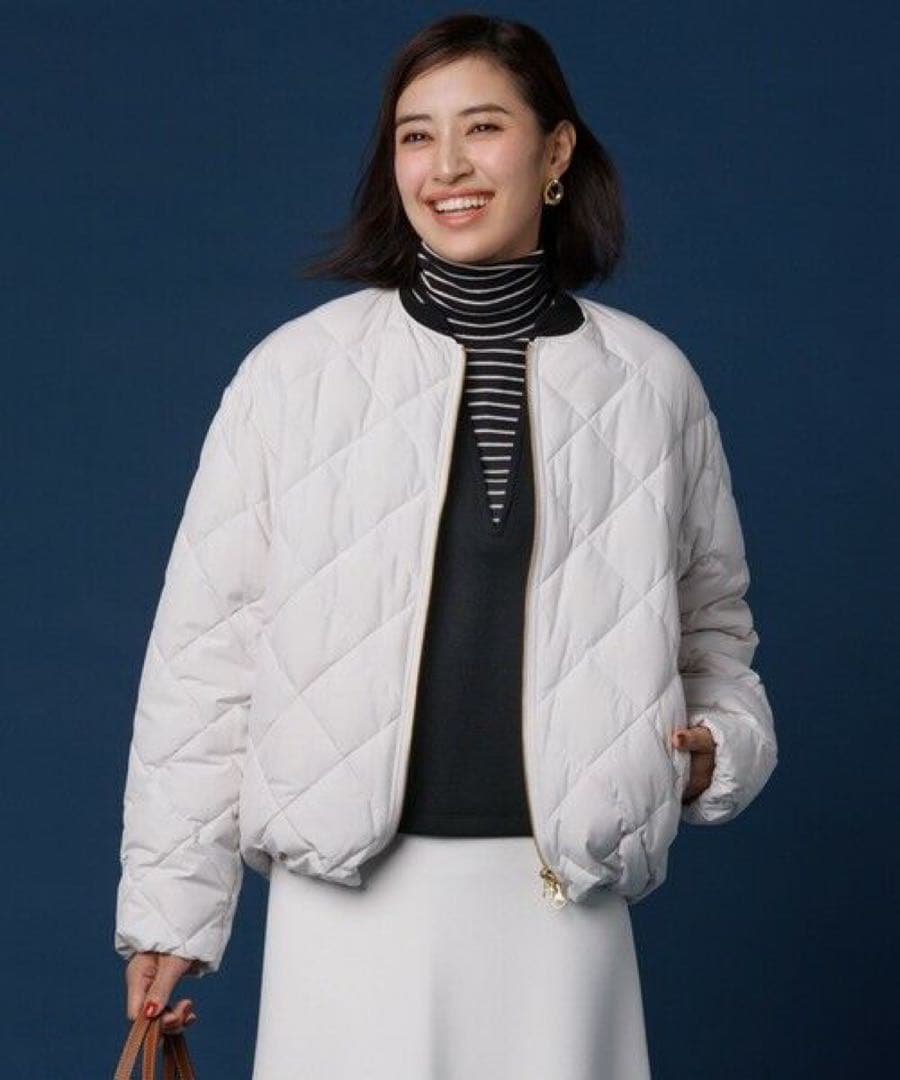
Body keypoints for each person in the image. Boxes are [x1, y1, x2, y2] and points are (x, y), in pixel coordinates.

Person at [114, 13, 778, 1079]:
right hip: (346, 910)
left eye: (484, 127)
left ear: (556, 152)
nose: (449, 165)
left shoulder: (652, 384)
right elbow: (206, 657)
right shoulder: (296, 375)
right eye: (416, 135)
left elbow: (714, 636)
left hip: (563, 906)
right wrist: (169, 913)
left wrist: (713, 753)